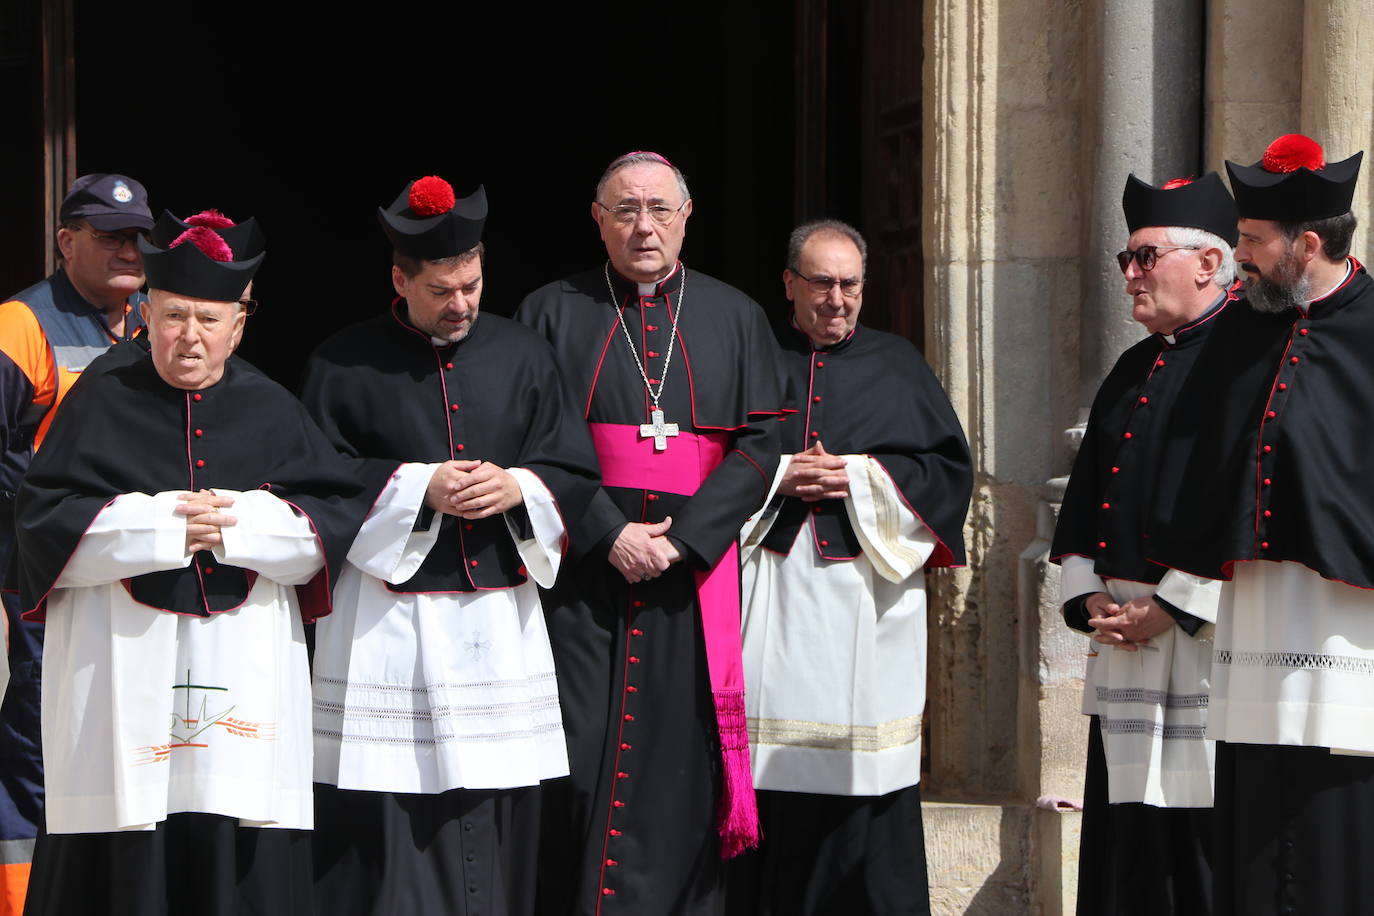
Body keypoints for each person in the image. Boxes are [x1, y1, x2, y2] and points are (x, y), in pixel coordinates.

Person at [15, 210, 388, 914]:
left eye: (209, 320)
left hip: (239, 667)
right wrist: (164, 523)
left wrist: (241, 523)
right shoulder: (97, 398)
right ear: (145, 315)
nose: (191, 337)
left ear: (240, 324)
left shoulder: (272, 407)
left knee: (232, 848)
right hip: (123, 668)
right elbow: (39, 523)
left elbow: (333, 518)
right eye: (175, 316)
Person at [302, 176, 600, 916]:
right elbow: (312, 482)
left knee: (495, 797)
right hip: (385, 625)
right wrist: (415, 488)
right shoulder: (341, 364)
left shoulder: (526, 355)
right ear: (399, 280)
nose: (461, 303)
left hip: (496, 622)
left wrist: (520, 489)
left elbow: (573, 466)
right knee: (392, 807)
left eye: (471, 284)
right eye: (441, 290)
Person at [516, 151, 786, 913]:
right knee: (576, 753)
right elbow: (532, 437)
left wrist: (683, 537)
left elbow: (761, 444)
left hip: (690, 575)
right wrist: (607, 531)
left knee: (680, 762)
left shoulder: (735, 316)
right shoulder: (550, 310)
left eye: (659, 209)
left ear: (686, 217)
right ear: (598, 220)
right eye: (626, 209)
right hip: (583, 575)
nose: (644, 226)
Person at [1148, 134, 1374, 914]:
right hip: (1253, 622)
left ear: (1305, 244)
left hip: (1347, 625)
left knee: (1337, 811)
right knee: (1252, 805)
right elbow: (1197, 457)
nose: (1237, 255)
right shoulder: (1244, 327)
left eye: (1249, 241)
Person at [729, 219, 972, 915]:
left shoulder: (898, 365)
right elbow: (711, 465)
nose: (836, 299)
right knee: (768, 776)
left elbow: (947, 474)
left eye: (850, 285)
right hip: (769, 595)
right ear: (789, 285)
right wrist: (780, 475)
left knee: (866, 782)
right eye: (822, 283)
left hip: (867, 604)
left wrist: (860, 479)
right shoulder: (751, 358)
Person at [1051, 173, 1240, 916]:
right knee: (1127, 838)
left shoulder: (1250, 365)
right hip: (1125, 641)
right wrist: (1088, 594)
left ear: (1208, 262)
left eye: (1145, 255)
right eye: (1125, 258)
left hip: (1203, 642)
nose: (1129, 273)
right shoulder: (1132, 367)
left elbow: (1253, 509)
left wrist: (1173, 605)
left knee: (1198, 839)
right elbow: (1086, 501)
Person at [0, 173, 153, 915]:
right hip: (43, 577)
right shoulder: (20, 325)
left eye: (137, 237)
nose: (130, 249)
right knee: (40, 734)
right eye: (110, 236)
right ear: (67, 242)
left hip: (138, 574)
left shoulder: (159, 319)